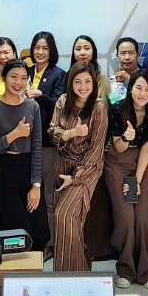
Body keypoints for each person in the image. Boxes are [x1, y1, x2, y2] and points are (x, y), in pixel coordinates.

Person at [104, 69, 148, 290]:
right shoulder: (118, 109)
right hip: (118, 163)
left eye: (147, 89)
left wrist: (136, 181)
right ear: (130, 89)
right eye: (138, 87)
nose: (142, 93)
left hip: (142, 165)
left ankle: (146, 269)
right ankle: (126, 268)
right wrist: (126, 138)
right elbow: (118, 147)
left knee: (142, 217)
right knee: (125, 217)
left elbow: (147, 149)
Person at [0, 61, 48, 249]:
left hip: (28, 171)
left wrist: (36, 185)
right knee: (21, 236)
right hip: (3, 173)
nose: (18, 82)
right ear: (3, 78)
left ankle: (35, 267)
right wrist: (13, 135)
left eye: (23, 78)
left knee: (42, 234)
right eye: (14, 76)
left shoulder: (32, 106)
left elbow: (37, 146)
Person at [48, 61, 109, 272]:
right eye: (77, 82)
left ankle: (73, 275)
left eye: (87, 82)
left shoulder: (99, 107)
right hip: (62, 164)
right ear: (70, 83)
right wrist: (71, 133)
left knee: (64, 215)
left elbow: (96, 149)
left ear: (94, 83)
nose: (82, 87)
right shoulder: (63, 101)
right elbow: (52, 131)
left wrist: (75, 178)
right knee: (71, 223)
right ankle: (75, 273)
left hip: (87, 169)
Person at [26, 32, 67, 240]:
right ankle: (31, 240)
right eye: (37, 47)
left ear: (52, 51)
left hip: (47, 142)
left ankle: (51, 243)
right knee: (28, 193)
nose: (40, 52)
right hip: (24, 140)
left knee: (49, 195)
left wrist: (41, 95)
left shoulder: (59, 74)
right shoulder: (26, 71)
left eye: (45, 48)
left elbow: (60, 107)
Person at [70, 34, 113, 106]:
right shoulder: (67, 76)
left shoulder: (101, 78)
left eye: (87, 48)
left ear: (93, 51)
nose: (82, 53)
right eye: (78, 49)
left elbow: (103, 107)